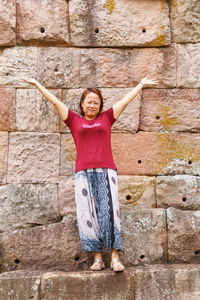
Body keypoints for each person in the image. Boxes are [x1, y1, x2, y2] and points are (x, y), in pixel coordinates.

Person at [23, 76, 159, 272]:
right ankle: (97, 258)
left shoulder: (107, 118)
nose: (93, 105)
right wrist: (37, 84)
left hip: (106, 172)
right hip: (83, 175)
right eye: (89, 102)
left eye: (96, 102)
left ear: (100, 105)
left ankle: (114, 257)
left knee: (110, 213)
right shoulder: (73, 120)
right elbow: (54, 101)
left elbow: (125, 101)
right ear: (82, 104)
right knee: (88, 215)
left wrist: (140, 86)